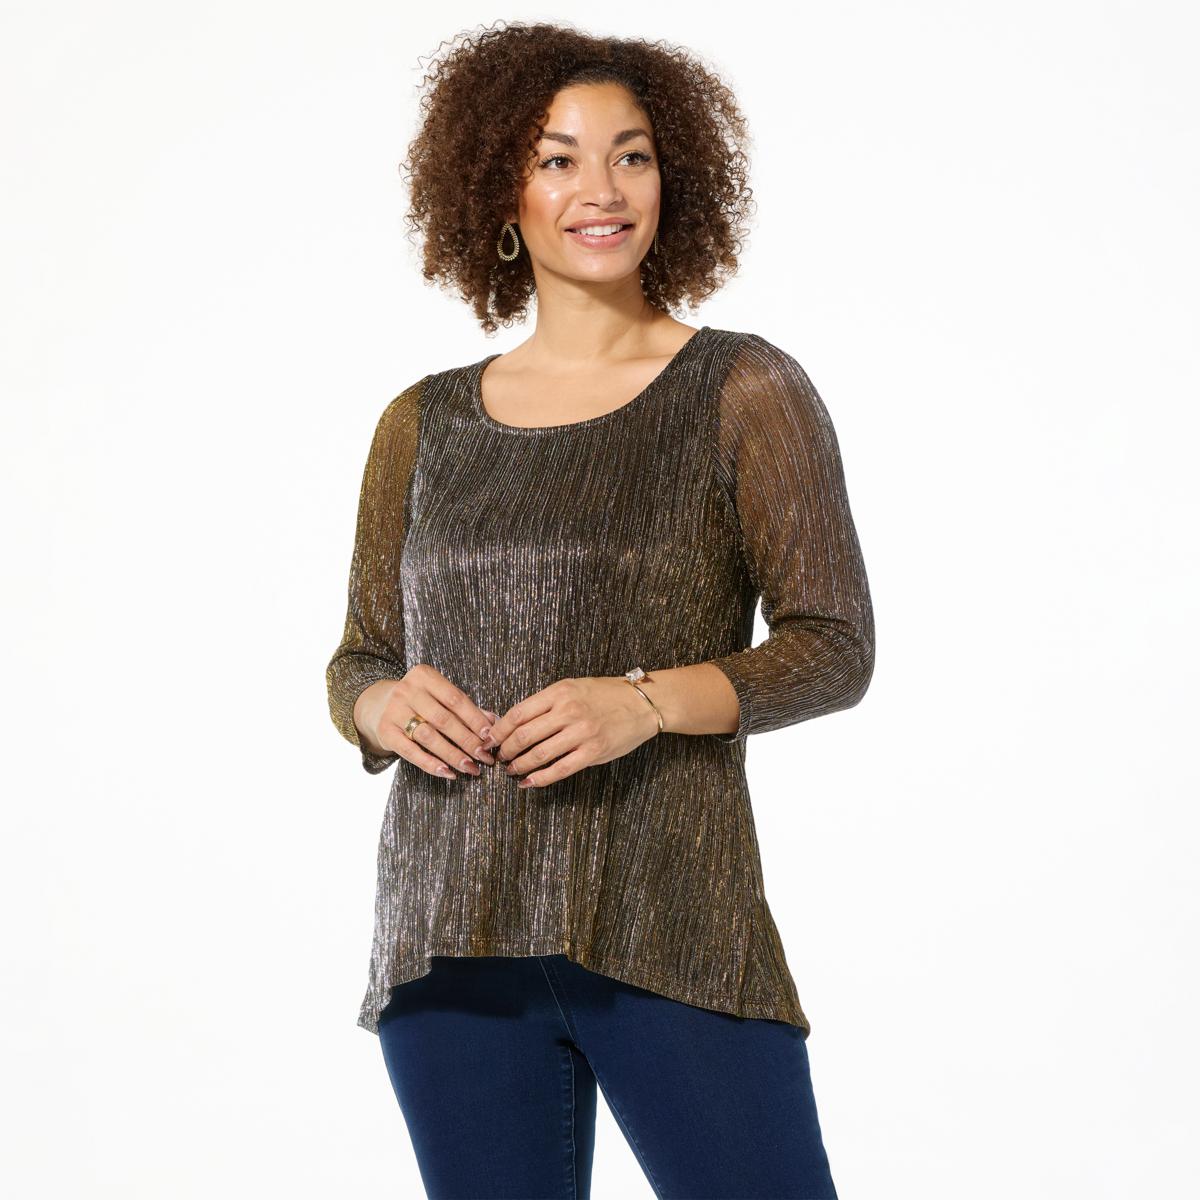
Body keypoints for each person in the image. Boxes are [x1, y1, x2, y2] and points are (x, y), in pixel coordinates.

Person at [325, 22, 874, 1200]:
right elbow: (360, 656)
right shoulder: (421, 423)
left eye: (632, 156)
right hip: (450, 939)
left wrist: (644, 703)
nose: (603, 190)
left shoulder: (742, 388)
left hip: (669, 925)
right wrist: (379, 707)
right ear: (499, 189)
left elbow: (834, 647)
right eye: (558, 159)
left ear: (675, 179)